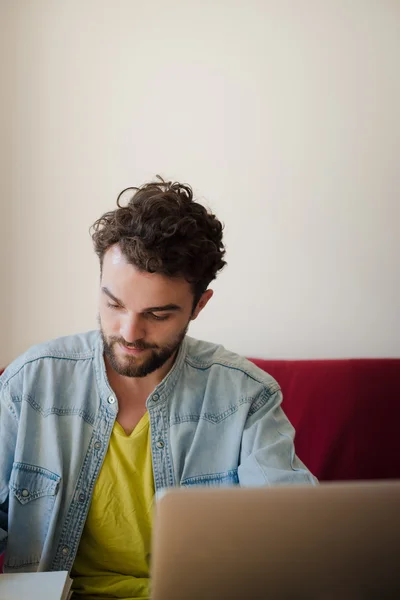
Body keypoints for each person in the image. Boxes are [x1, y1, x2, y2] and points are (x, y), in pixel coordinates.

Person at [0, 178, 317, 598]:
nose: (129, 332)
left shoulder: (246, 396)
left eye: (158, 314)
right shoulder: (32, 381)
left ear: (199, 306)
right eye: (114, 305)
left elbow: (295, 532)